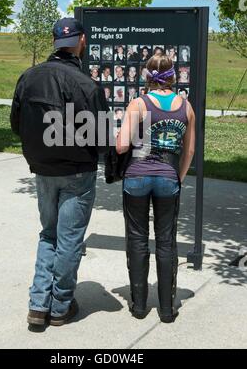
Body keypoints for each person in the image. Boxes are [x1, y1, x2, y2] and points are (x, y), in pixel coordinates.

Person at [11, 17, 109, 328]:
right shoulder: (86, 84)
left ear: (55, 42)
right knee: (69, 239)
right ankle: (60, 305)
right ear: (81, 42)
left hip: (42, 168)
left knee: (48, 234)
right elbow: (103, 136)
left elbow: (16, 124)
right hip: (77, 171)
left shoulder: (28, 77)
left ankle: (38, 304)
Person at [116, 54, 195, 323]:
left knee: (137, 239)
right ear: (173, 76)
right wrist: (179, 176)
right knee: (166, 240)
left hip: (137, 176)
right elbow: (190, 150)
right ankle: (166, 309)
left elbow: (122, 146)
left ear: (147, 76)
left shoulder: (138, 104)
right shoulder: (186, 107)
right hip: (168, 177)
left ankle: (139, 306)